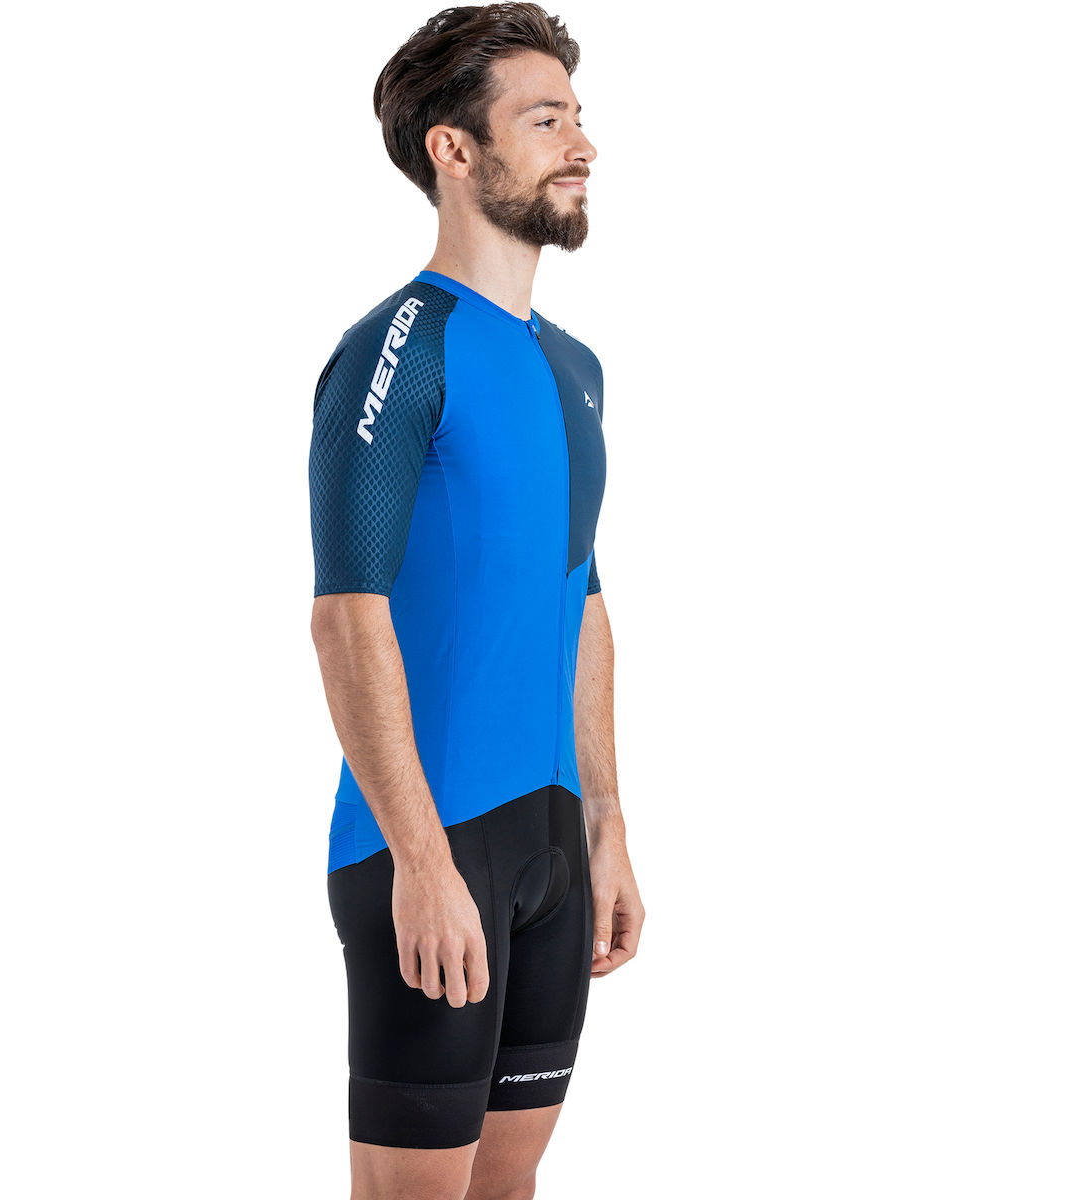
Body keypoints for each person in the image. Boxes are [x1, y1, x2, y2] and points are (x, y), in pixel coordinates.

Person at [307, 5, 644, 1197]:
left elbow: (579, 596)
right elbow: (347, 612)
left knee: (510, 1186)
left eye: (579, 118)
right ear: (454, 150)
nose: (583, 144)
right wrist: (420, 857)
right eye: (546, 120)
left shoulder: (574, 366)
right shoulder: (401, 349)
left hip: (553, 845)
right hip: (431, 845)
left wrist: (606, 823)